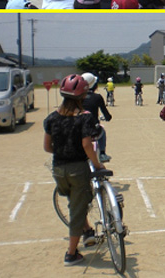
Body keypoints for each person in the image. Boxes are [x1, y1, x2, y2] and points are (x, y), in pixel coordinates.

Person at [43, 74, 104, 266]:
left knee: (73, 202)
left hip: (58, 168)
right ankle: (71, 253)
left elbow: (47, 147)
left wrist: (62, 151)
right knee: (78, 209)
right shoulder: (83, 118)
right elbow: (87, 145)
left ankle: (87, 231)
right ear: (82, 96)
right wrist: (97, 164)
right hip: (78, 167)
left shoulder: (52, 118)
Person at [81, 73, 113, 163]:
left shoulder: (77, 97)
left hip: (79, 129)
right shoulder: (97, 97)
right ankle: (102, 153)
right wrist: (108, 117)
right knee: (102, 130)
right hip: (93, 130)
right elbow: (106, 114)